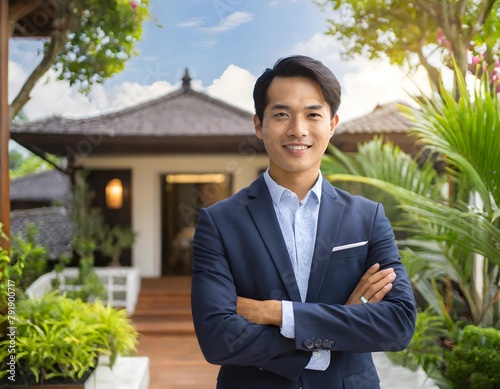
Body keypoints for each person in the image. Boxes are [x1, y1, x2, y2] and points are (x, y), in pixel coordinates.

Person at [191, 55, 416, 389]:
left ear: (332, 124)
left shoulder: (367, 217)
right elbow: (217, 338)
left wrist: (277, 313)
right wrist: (335, 331)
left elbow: (398, 324)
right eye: (282, 114)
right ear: (258, 125)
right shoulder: (220, 222)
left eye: (313, 114)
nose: (298, 130)